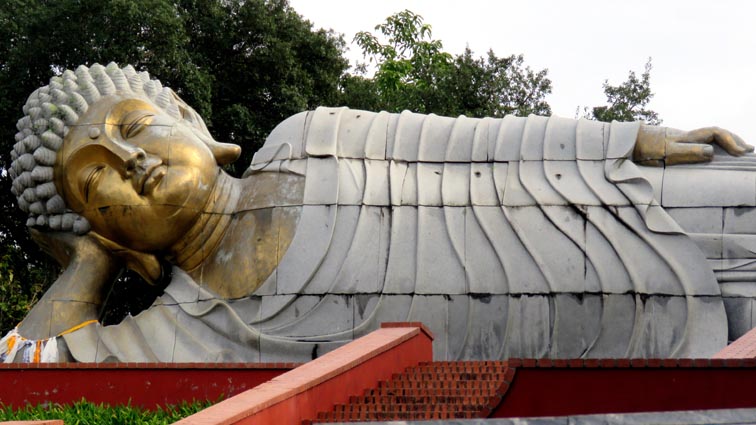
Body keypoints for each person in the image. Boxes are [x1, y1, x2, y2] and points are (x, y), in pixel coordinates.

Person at [1, 63, 753, 363]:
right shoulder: (185, 331)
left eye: (133, 130)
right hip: (572, 346)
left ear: (192, 119)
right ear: (103, 229)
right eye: (99, 184)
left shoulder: (309, 137)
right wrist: (87, 262)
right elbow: (25, 371)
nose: (134, 164)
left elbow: (474, 143)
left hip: (580, 206)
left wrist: (629, 139)